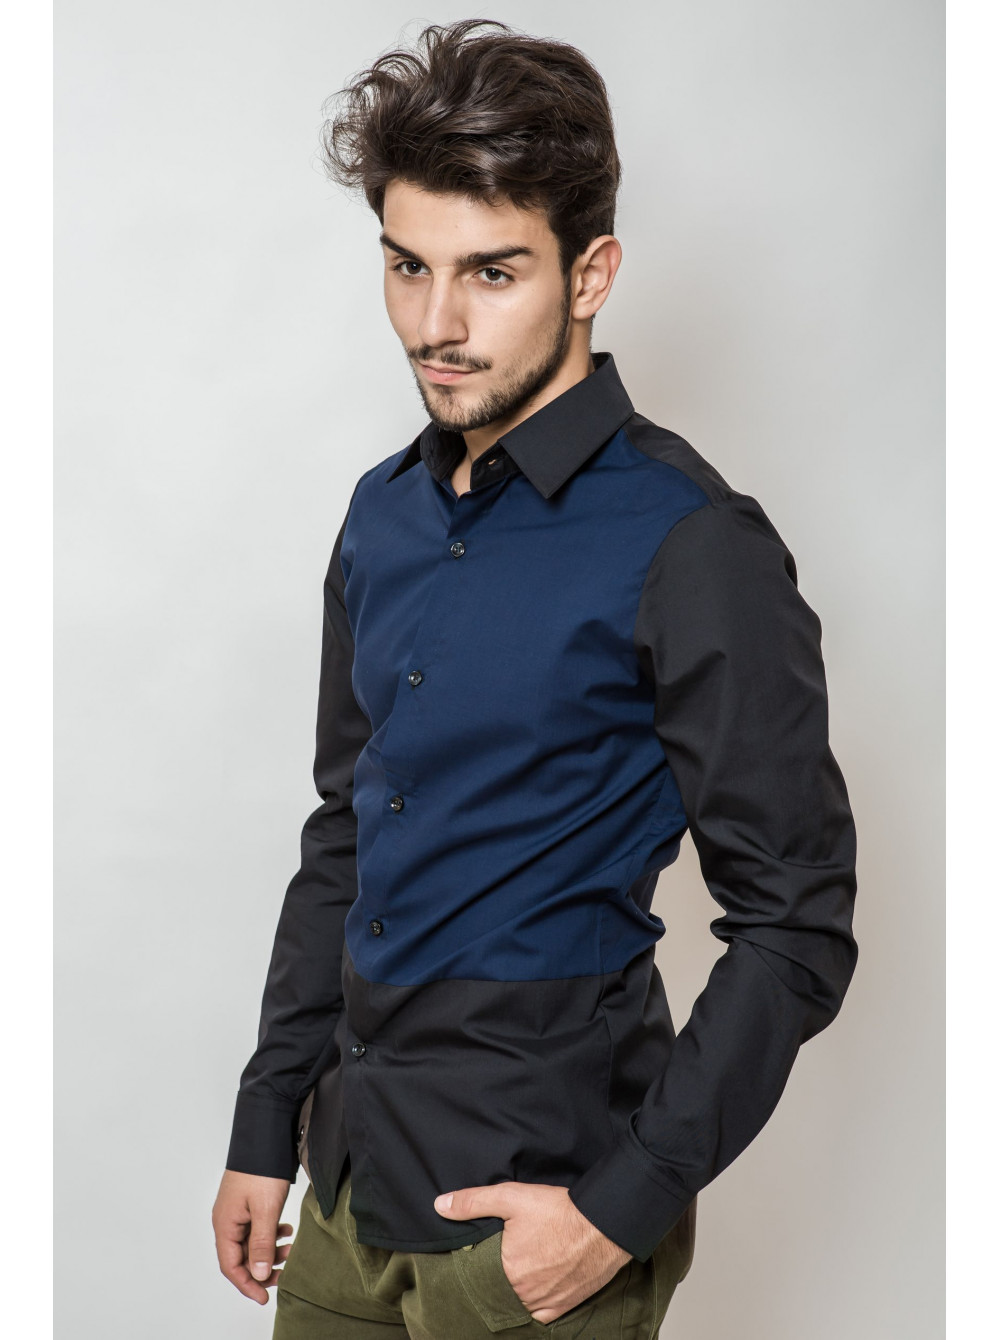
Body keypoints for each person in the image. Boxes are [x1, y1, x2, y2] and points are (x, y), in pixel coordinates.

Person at [211, 18, 858, 1338]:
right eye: (407, 265)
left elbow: (797, 926)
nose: (435, 324)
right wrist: (267, 1118)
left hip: (535, 1225)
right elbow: (348, 829)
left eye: (491, 272)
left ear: (590, 272)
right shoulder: (382, 515)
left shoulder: (693, 544)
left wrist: (621, 1210)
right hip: (344, 1192)